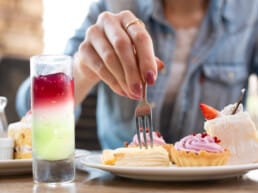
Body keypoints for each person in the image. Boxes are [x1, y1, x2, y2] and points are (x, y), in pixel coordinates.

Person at [16, 0, 258, 149]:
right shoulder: (113, 6)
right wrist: (82, 69)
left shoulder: (250, 14)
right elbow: (29, 108)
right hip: (119, 183)